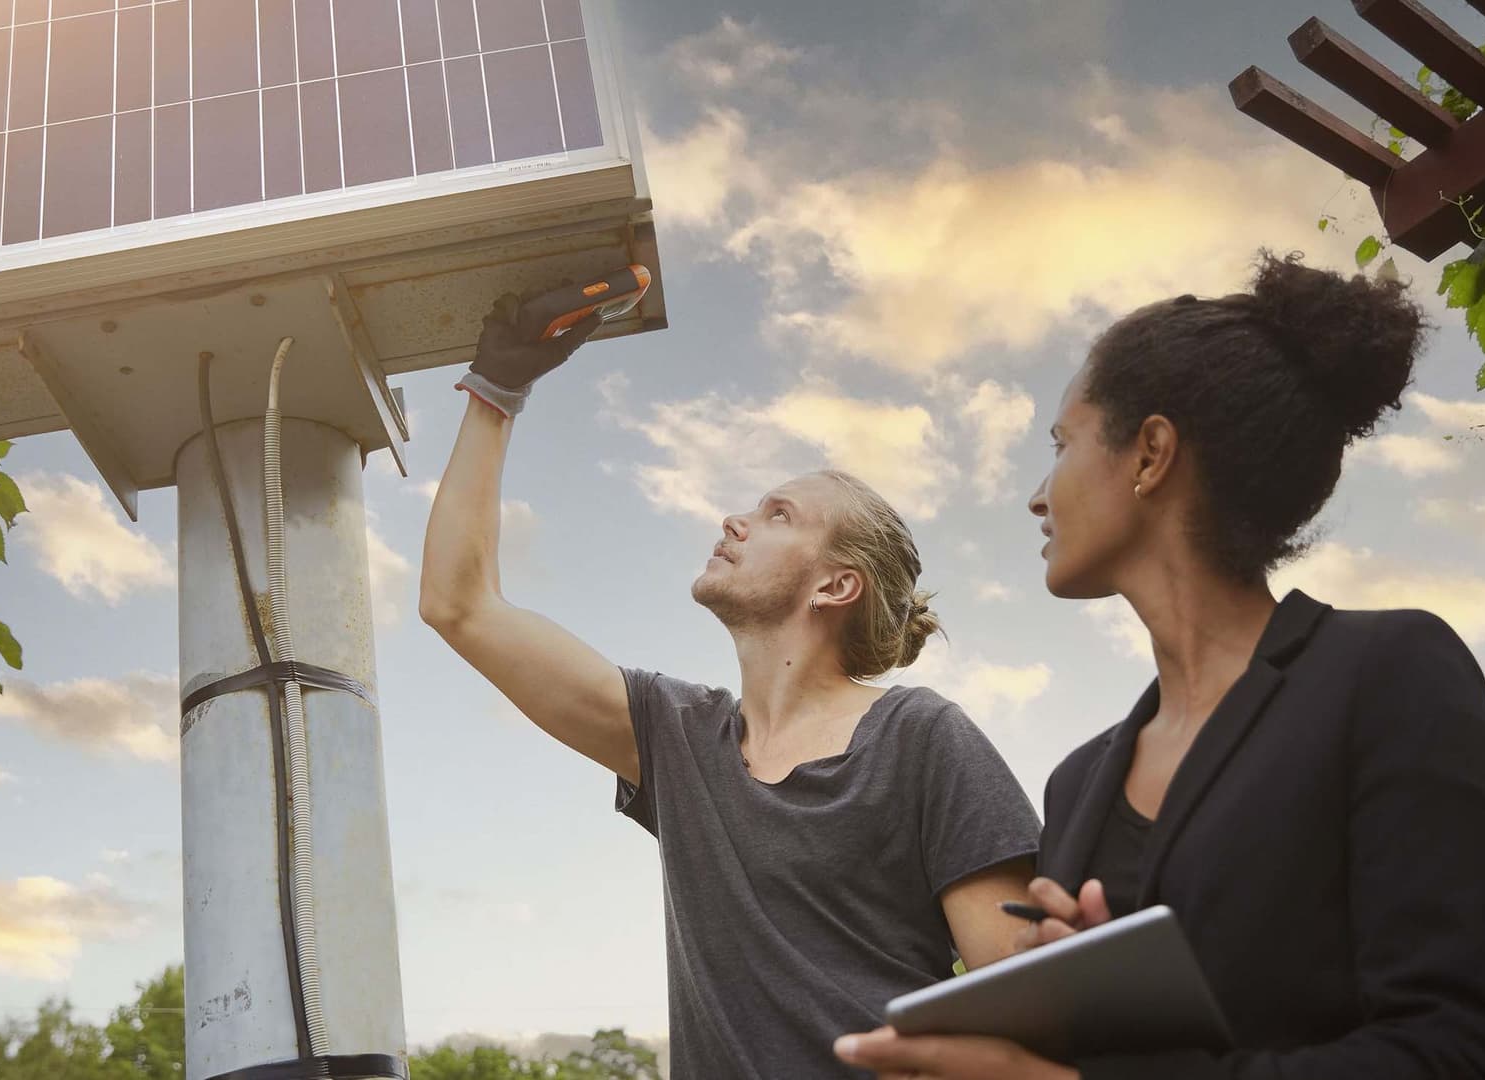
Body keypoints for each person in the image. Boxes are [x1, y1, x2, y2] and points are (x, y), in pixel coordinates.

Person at [835, 253, 1485, 1079]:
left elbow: (1463, 1055)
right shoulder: (1076, 784)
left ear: (1150, 454)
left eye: (1061, 444)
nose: (1037, 495)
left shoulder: (1389, 675)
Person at [420, 295, 1043, 1079]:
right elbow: (459, 604)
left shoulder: (922, 739)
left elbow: (1020, 1012)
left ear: (835, 587)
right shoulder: (674, 737)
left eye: (777, 514)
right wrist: (496, 392)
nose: (734, 520)